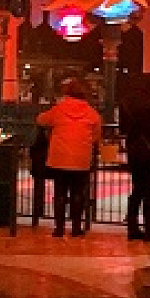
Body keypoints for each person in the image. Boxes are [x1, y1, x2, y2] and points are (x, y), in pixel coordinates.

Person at [37, 77, 102, 238]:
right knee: (78, 194)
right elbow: (96, 135)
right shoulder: (92, 113)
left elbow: (41, 119)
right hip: (81, 160)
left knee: (59, 193)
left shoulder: (59, 109)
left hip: (59, 159)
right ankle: (76, 228)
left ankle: (59, 228)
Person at [119, 76, 150, 241]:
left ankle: (132, 226)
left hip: (134, 150)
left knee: (138, 188)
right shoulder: (149, 102)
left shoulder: (125, 102)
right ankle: (149, 226)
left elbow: (123, 128)